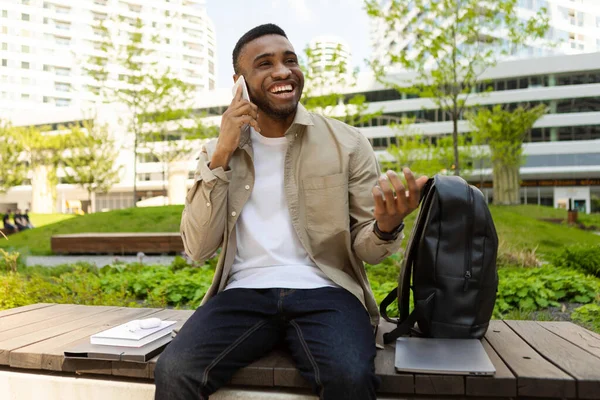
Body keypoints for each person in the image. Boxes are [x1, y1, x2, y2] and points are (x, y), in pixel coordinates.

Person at [154, 24, 428, 400]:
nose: (283, 71)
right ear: (239, 83)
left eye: (290, 61)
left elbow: (367, 250)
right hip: (242, 294)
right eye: (265, 64)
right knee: (174, 371)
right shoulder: (217, 151)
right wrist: (221, 155)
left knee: (349, 377)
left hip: (328, 292)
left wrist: (385, 226)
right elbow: (198, 248)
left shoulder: (347, 143)